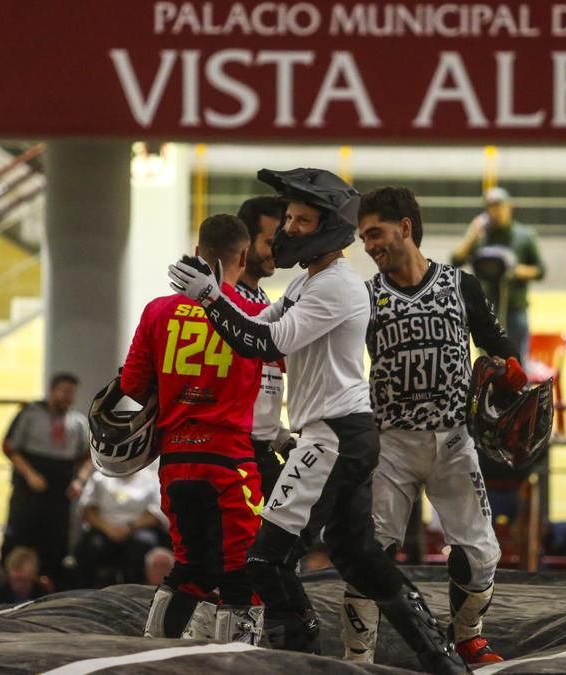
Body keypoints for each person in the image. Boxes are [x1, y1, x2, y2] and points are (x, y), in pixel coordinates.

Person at [168, 167, 466, 674]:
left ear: (329, 225)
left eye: (301, 220)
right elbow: (259, 322)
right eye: (288, 218)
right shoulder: (311, 281)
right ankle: (442, 660)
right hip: (338, 434)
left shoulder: (336, 287)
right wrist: (219, 291)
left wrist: (211, 298)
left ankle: (307, 663)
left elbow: (264, 343)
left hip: (333, 437)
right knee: (357, 557)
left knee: (265, 561)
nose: (288, 229)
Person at [342, 185, 526, 665]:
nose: (369, 245)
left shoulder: (462, 286)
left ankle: (466, 635)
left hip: (453, 440)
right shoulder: (363, 298)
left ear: (406, 227)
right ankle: (357, 655)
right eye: (363, 237)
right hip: (388, 444)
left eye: (375, 233)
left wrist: (511, 372)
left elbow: (501, 346)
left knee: (482, 555)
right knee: (370, 553)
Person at [120, 213, 267, 642]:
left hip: (176, 463)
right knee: (242, 571)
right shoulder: (256, 315)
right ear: (244, 255)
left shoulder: (158, 311)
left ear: (198, 253)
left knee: (189, 567)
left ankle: (150, 654)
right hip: (231, 464)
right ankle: (240, 668)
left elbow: (131, 385)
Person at [0, 373, 91, 583]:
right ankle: (11, 583)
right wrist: (30, 475)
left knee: (55, 541)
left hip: (60, 489)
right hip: (29, 487)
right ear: (52, 391)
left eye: (72, 393)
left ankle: (49, 584)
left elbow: (88, 458)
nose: (68, 397)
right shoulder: (30, 414)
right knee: (19, 536)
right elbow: (9, 447)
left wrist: (79, 481)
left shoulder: (78, 422)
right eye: (64, 391)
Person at [235, 195, 294, 499]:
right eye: (270, 242)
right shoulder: (227, 305)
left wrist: (282, 438)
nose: (278, 251)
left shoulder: (265, 302)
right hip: (237, 454)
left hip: (264, 449)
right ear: (244, 244)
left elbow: (265, 390)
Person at [450, 186, 544, 360]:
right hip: (486, 310)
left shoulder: (524, 236)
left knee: (518, 361)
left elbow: (540, 270)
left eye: (499, 206)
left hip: (515, 308)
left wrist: (515, 271)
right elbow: (455, 260)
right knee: (487, 362)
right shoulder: (480, 236)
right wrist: (471, 236)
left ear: (509, 207)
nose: (496, 212)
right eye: (491, 207)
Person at [73, 466, 166, 587]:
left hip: (137, 529)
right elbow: (86, 510)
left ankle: (137, 592)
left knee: (144, 543)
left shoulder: (150, 478)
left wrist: (129, 528)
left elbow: (156, 514)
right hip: (104, 529)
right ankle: (85, 591)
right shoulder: (98, 477)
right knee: (88, 547)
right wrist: (108, 529)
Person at [0, 546, 49, 610]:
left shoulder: (45, 596)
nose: (19, 585)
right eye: (15, 580)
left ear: (34, 576)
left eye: (24, 581)